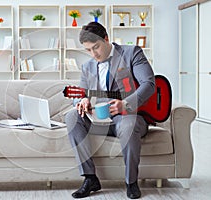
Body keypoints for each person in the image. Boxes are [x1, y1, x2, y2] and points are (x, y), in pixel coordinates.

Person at [65, 22, 155, 199]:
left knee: (128, 123)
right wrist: (82, 99)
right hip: (102, 122)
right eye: (88, 50)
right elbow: (80, 93)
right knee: (72, 116)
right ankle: (90, 178)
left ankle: (131, 182)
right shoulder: (87, 67)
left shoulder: (131, 53)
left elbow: (149, 84)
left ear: (106, 39)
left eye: (96, 47)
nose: (94, 54)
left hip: (130, 118)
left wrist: (126, 104)